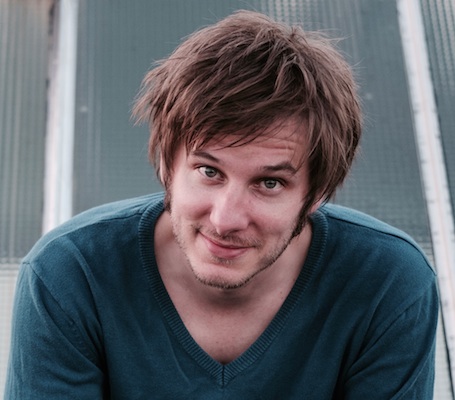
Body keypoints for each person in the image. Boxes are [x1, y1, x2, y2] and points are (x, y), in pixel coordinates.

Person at [5, 10, 438, 400]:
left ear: (318, 193)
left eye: (269, 183)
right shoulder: (70, 275)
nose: (226, 218)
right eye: (209, 171)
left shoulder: (387, 283)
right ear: (166, 164)